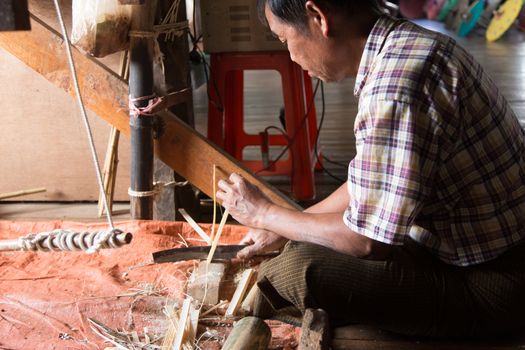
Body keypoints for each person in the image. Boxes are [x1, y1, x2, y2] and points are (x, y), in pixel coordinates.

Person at [216, 0, 525, 338]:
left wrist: (264, 214)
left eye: (284, 39)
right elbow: (372, 181)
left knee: (294, 269)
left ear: (318, 17)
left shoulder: (394, 90)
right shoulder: (407, 44)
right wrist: (279, 228)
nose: (290, 55)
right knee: (297, 241)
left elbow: (365, 241)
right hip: (479, 255)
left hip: (495, 285)